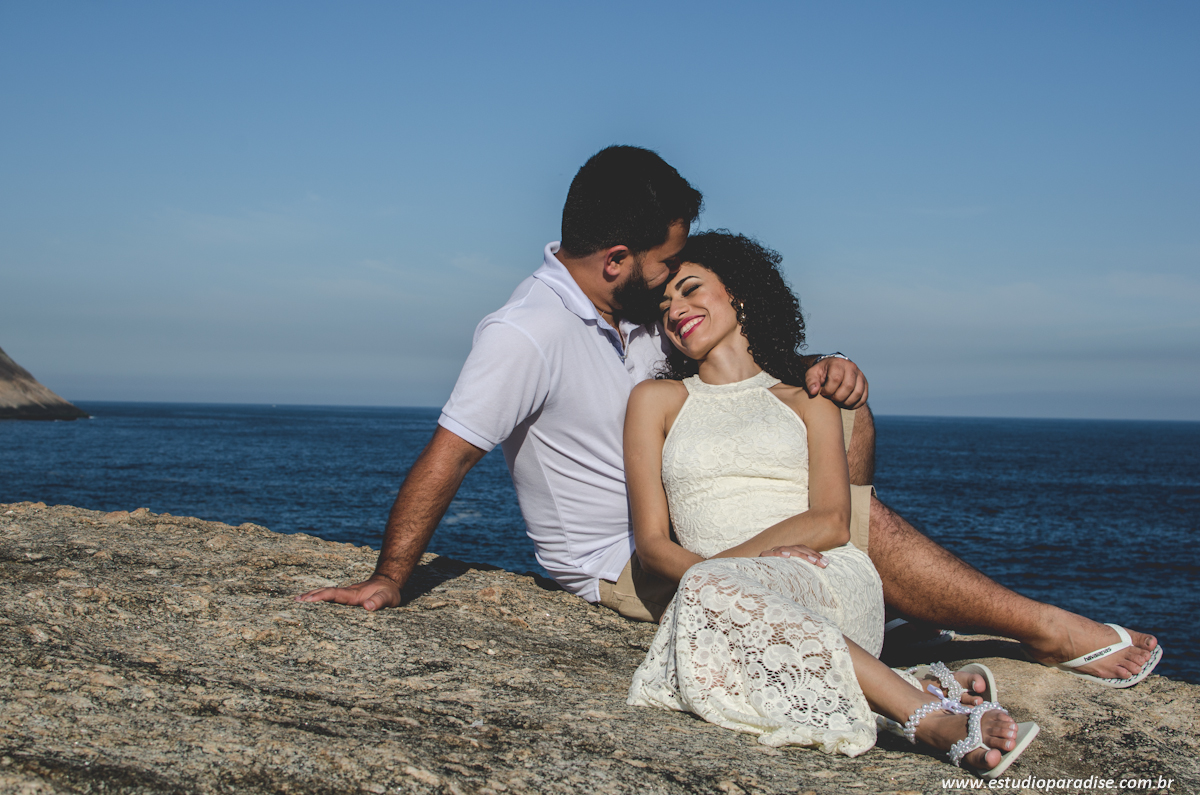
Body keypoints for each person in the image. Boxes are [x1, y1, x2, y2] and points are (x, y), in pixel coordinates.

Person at [297, 144, 1161, 689]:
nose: (679, 279)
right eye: (670, 260)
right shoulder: (524, 334)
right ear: (618, 258)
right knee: (856, 520)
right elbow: (448, 454)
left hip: (714, 515)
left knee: (841, 481)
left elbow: (741, 394)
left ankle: (918, 621)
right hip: (625, 562)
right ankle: (1047, 629)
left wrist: (826, 373)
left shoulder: (632, 317)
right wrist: (389, 576)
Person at [624, 231, 1038, 775]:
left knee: (713, 599)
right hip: (720, 585)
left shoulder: (806, 397)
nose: (676, 310)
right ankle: (915, 697)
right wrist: (731, 573)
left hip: (825, 574)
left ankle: (926, 718)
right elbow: (653, 544)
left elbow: (832, 518)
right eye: (665, 305)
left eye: (690, 290)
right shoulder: (654, 401)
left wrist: (733, 568)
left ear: (739, 295)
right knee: (712, 598)